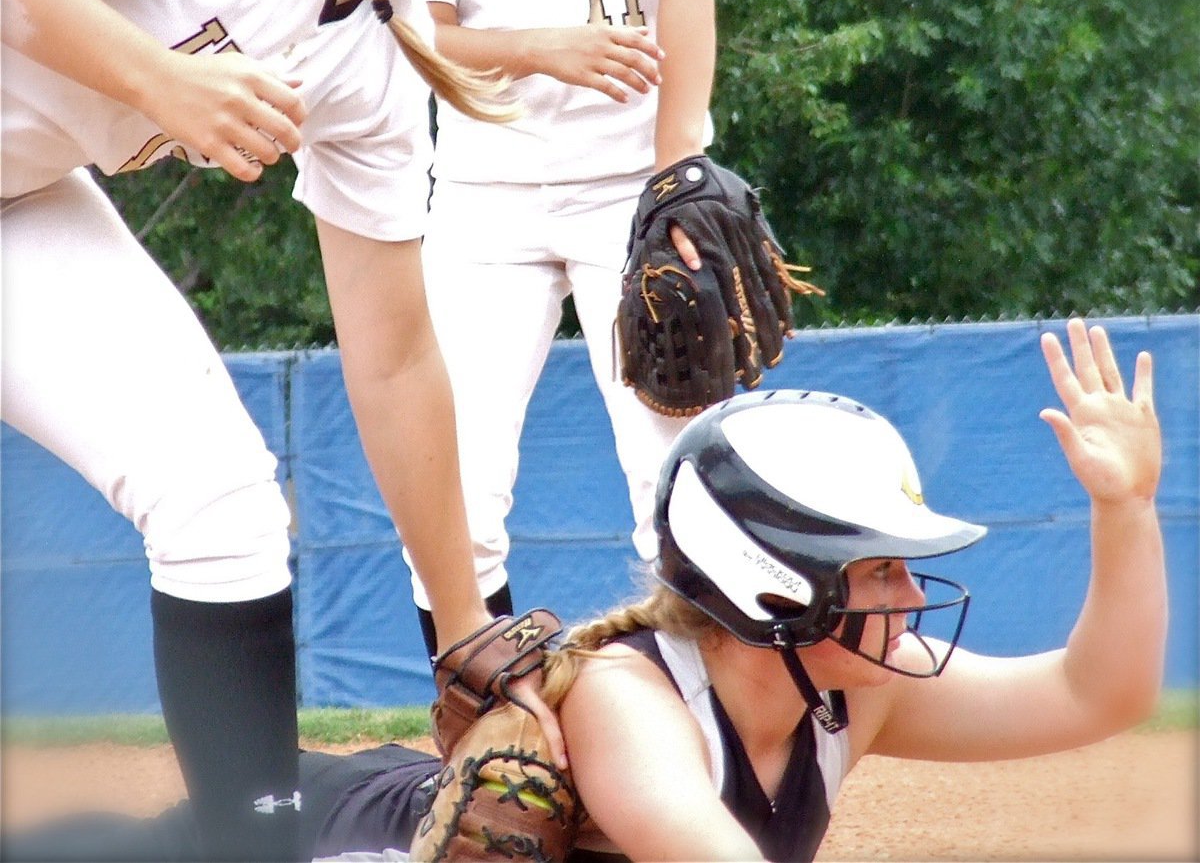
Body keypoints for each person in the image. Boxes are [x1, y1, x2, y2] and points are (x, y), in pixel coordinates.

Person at [0, 0, 582, 857]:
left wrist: (463, 630)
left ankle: (249, 842)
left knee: (220, 499)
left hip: (17, 202)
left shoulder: (373, 53)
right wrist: (160, 81)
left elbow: (396, 354)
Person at [3, 319, 1166, 862]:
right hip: (312, 842)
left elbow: (1093, 694)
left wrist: (1127, 509)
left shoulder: (850, 689)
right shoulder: (629, 701)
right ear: (775, 588)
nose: (912, 594)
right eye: (878, 564)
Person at [405, 0, 756, 653]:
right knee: (455, 483)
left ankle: (696, 721)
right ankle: (481, 729)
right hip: (486, 187)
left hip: (631, 186)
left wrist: (676, 174)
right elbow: (419, 31)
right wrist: (537, 47)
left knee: (672, 475)